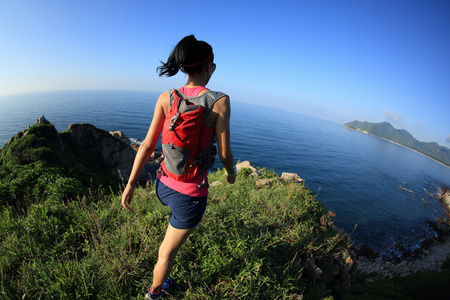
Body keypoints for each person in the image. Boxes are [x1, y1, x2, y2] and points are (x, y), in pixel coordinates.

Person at [121, 35, 236, 299]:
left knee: (170, 234)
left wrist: (129, 185)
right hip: (189, 195)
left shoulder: (166, 97)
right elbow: (226, 152)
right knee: (166, 254)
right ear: (208, 67)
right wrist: (231, 173)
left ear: (183, 68)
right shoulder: (219, 102)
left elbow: (147, 146)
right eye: (213, 66)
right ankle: (154, 293)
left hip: (162, 184)